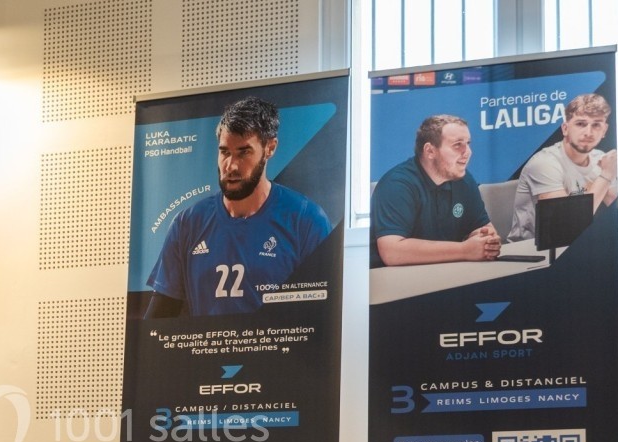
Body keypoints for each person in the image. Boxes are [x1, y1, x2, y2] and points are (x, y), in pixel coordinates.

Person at [144, 96, 332, 317]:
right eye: (225, 152)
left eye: (244, 152)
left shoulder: (307, 220)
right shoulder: (187, 223)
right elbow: (157, 322)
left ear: (270, 148)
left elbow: (321, 316)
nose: (231, 166)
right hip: (208, 341)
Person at [369, 114, 500, 269]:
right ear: (430, 151)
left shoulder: (464, 180)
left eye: (468, 143)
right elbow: (392, 252)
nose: (468, 152)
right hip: (396, 279)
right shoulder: (397, 185)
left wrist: (486, 241)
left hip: (448, 273)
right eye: (458, 145)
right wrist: (465, 250)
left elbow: (483, 228)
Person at [508, 93, 618, 242]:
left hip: (577, 244)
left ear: (604, 131)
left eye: (596, 125)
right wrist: (606, 176)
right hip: (532, 250)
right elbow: (566, 224)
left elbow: (616, 209)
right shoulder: (544, 163)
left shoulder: (601, 159)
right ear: (565, 128)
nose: (588, 132)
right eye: (581, 124)